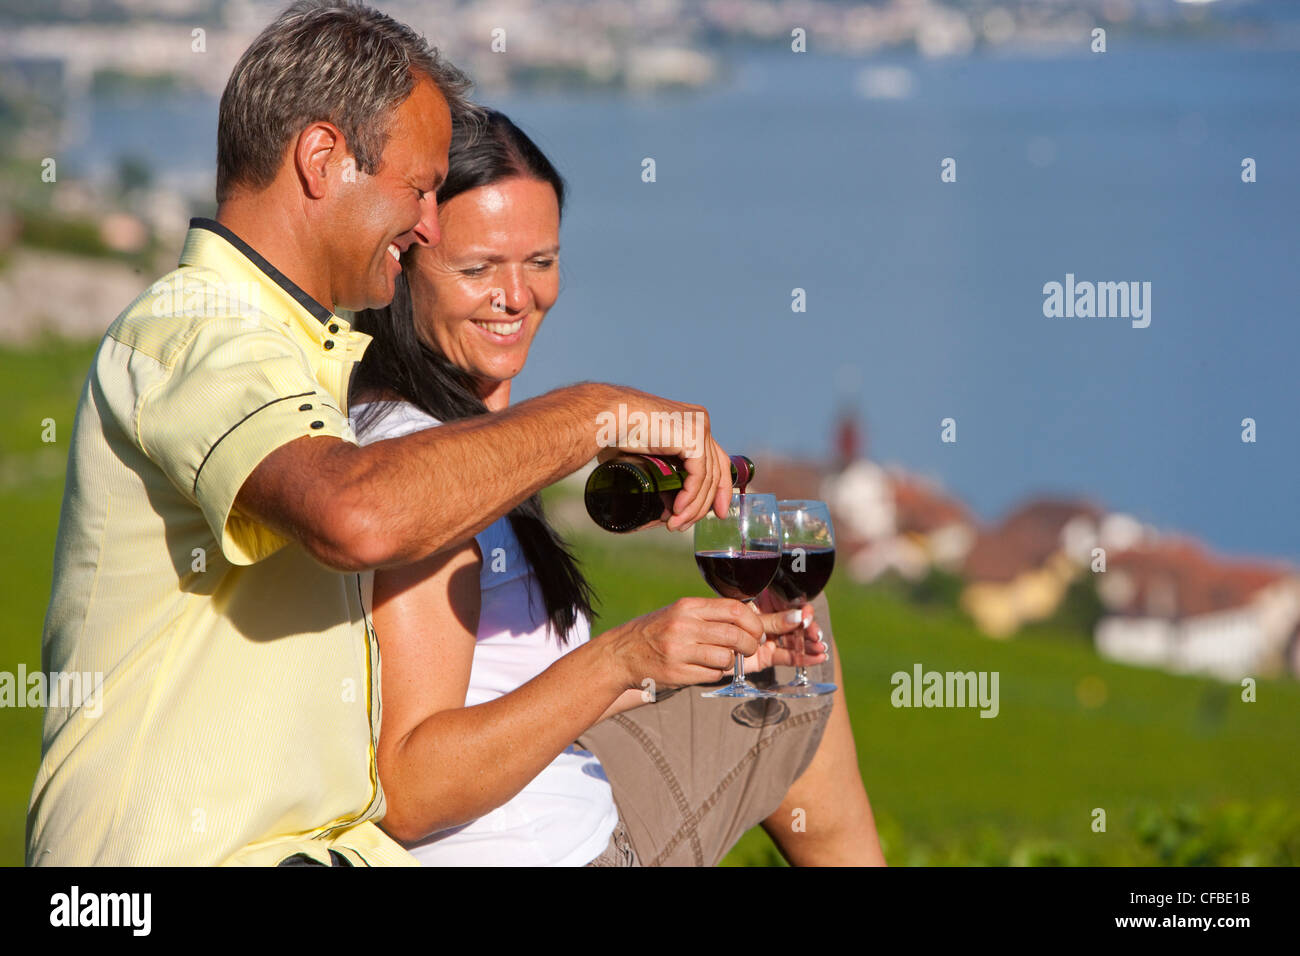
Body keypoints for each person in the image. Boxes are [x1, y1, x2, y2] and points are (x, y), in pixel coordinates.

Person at [26, 1, 747, 867]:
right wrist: (592, 415)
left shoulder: (305, 355)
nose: (431, 226)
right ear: (323, 159)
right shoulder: (198, 331)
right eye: (418, 188)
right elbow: (358, 514)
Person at [350, 109, 886, 866]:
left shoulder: (403, 421)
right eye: (478, 269)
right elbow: (408, 792)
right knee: (797, 665)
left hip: (549, 797)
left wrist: (664, 661)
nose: (516, 296)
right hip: (553, 849)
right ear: (400, 265)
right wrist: (625, 657)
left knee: (776, 633)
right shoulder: (423, 469)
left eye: (540, 261)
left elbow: (501, 685)